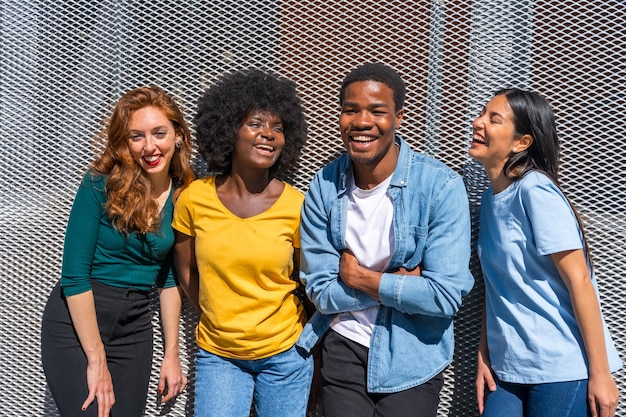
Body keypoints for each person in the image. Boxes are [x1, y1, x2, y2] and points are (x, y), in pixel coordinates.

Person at [298, 62, 475, 417]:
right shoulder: (324, 186)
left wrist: (363, 278)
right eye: (351, 110)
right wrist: (398, 286)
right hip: (343, 347)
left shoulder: (439, 187)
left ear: (399, 118)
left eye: (377, 111)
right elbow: (319, 289)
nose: (362, 122)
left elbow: (445, 296)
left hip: (412, 355)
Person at [41, 85, 194, 417]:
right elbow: (74, 275)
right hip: (77, 319)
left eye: (159, 133)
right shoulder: (100, 184)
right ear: (125, 143)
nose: (149, 146)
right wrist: (96, 361)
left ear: (178, 135)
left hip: (134, 325)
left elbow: (168, 279)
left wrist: (172, 352)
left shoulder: (185, 195)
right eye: (136, 136)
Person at [471, 88, 622, 417]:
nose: (478, 122)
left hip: (561, 370)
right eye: (482, 114)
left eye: (493, 119)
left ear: (521, 142)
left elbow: (580, 280)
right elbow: (496, 286)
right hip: (507, 369)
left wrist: (601, 375)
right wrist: (484, 353)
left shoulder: (535, 191)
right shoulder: (488, 201)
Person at [172, 68, 313, 417]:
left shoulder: (297, 206)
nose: (268, 135)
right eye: (256, 124)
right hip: (219, 356)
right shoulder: (193, 199)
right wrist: (217, 312)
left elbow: (308, 285)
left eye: (278, 128)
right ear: (229, 130)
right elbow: (185, 269)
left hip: (286, 355)